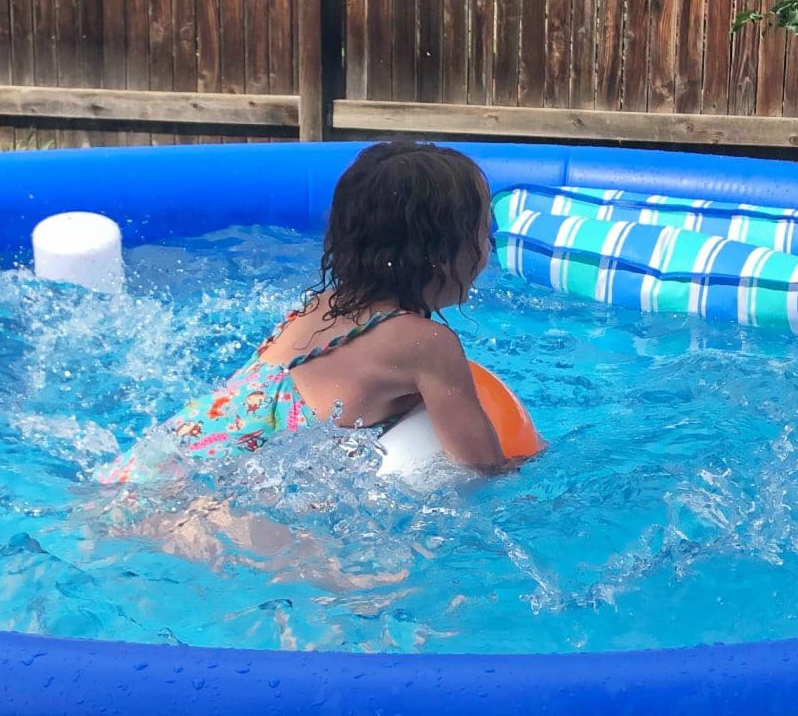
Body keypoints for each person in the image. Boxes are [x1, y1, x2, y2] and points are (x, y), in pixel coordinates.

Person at [116, 139, 508, 482]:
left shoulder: (316, 306)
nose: (487, 246)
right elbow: (482, 466)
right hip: (199, 501)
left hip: (150, 467)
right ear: (440, 252)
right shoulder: (428, 345)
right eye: (480, 231)